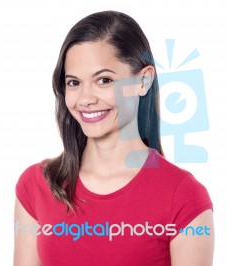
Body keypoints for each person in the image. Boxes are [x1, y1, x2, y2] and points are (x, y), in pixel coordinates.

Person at [13, 10, 214, 266]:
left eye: (104, 80)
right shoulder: (37, 185)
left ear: (143, 80)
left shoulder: (184, 196)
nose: (85, 99)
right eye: (74, 83)